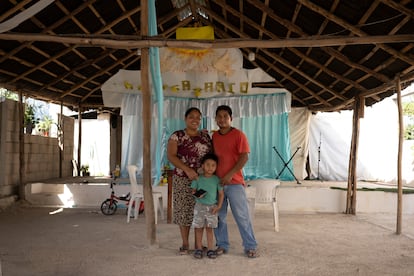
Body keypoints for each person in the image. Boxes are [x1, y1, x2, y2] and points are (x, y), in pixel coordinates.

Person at [212, 105, 258, 258]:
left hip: (235, 183)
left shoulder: (239, 135)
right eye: (219, 116)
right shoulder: (215, 137)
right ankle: (222, 244)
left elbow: (244, 157)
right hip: (218, 184)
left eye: (225, 116)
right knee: (219, 216)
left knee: (242, 216)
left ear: (231, 118)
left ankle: (250, 246)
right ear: (215, 119)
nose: (222, 119)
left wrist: (230, 174)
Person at [167, 107, 212, 255]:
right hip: (182, 179)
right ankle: (185, 244)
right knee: (183, 211)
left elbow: (211, 157)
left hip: (202, 181)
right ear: (185, 119)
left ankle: (197, 244)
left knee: (200, 210)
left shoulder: (205, 137)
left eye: (198, 117)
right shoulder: (177, 136)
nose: (195, 120)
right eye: (192, 116)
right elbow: (171, 156)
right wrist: (187, 169)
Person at [191, 153, 224, 259]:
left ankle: (210, 249)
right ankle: (199, 249)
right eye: (208, 165)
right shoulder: (197, 179)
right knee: (199, 228)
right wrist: (198, 195)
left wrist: (218, 206)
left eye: (213, 165)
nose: (210, 167)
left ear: (216, 167)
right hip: (199, 206)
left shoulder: (217, 180)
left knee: (210, 229)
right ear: (203, 166)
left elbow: (221, 194)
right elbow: (193, 191)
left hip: (212, 208)